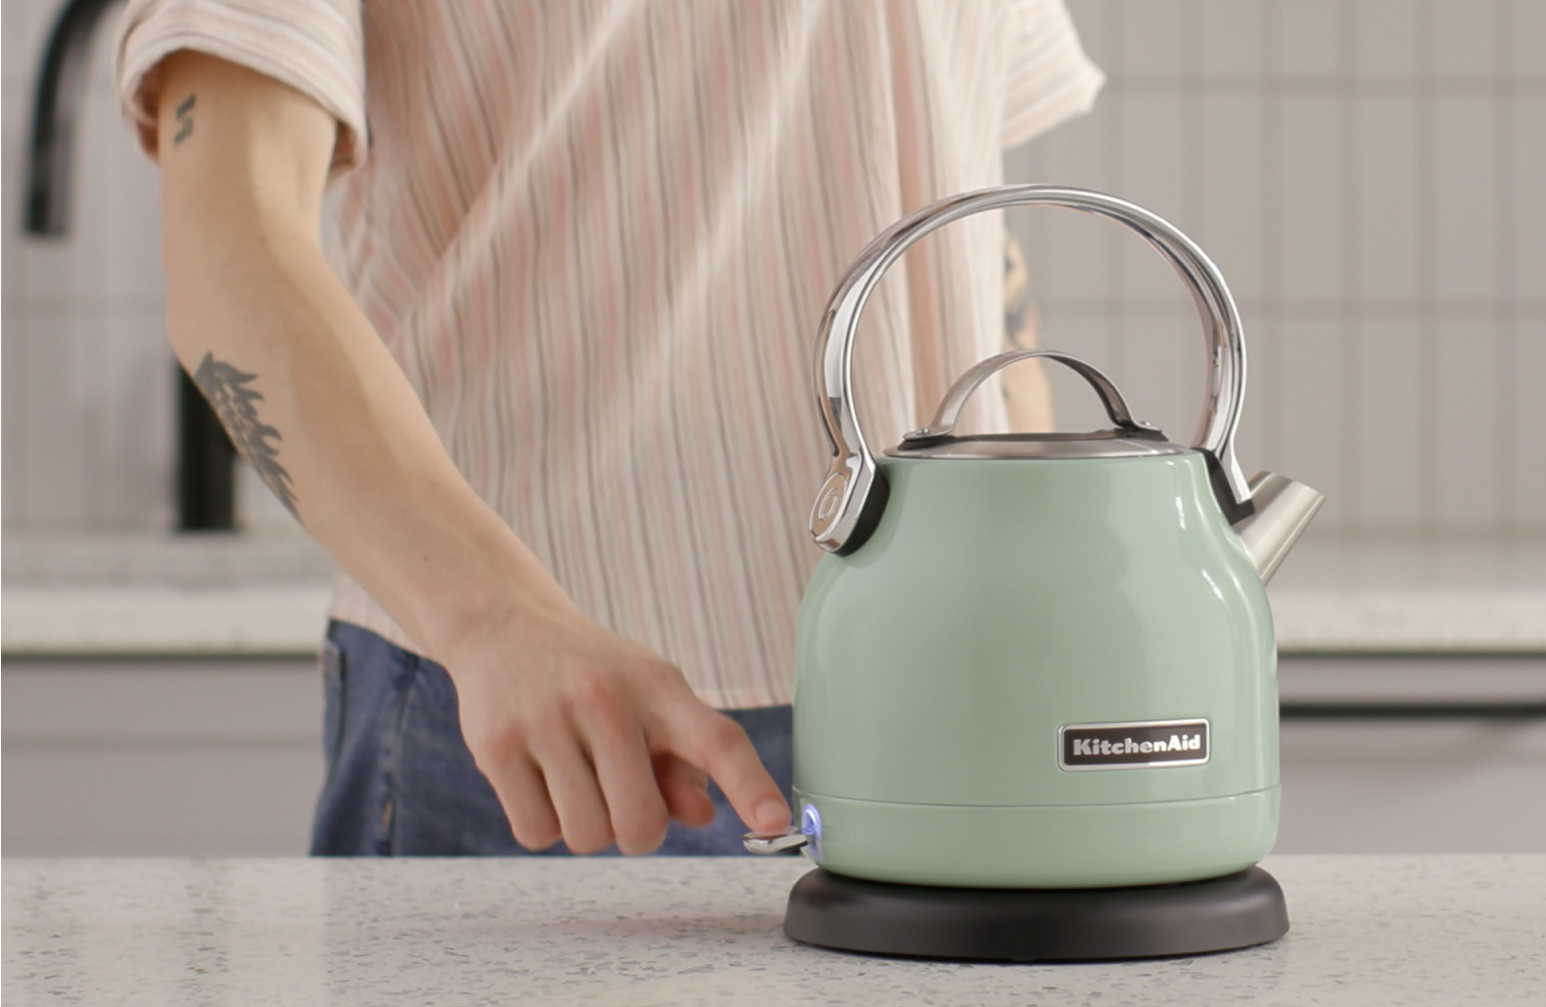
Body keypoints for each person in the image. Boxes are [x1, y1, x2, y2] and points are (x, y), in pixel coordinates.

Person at [113, 0, 1103, 856]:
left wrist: (1054, 592)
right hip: (560, 729)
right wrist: (493, 620)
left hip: (972, 700)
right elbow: (232, 241)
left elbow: (962, 201)